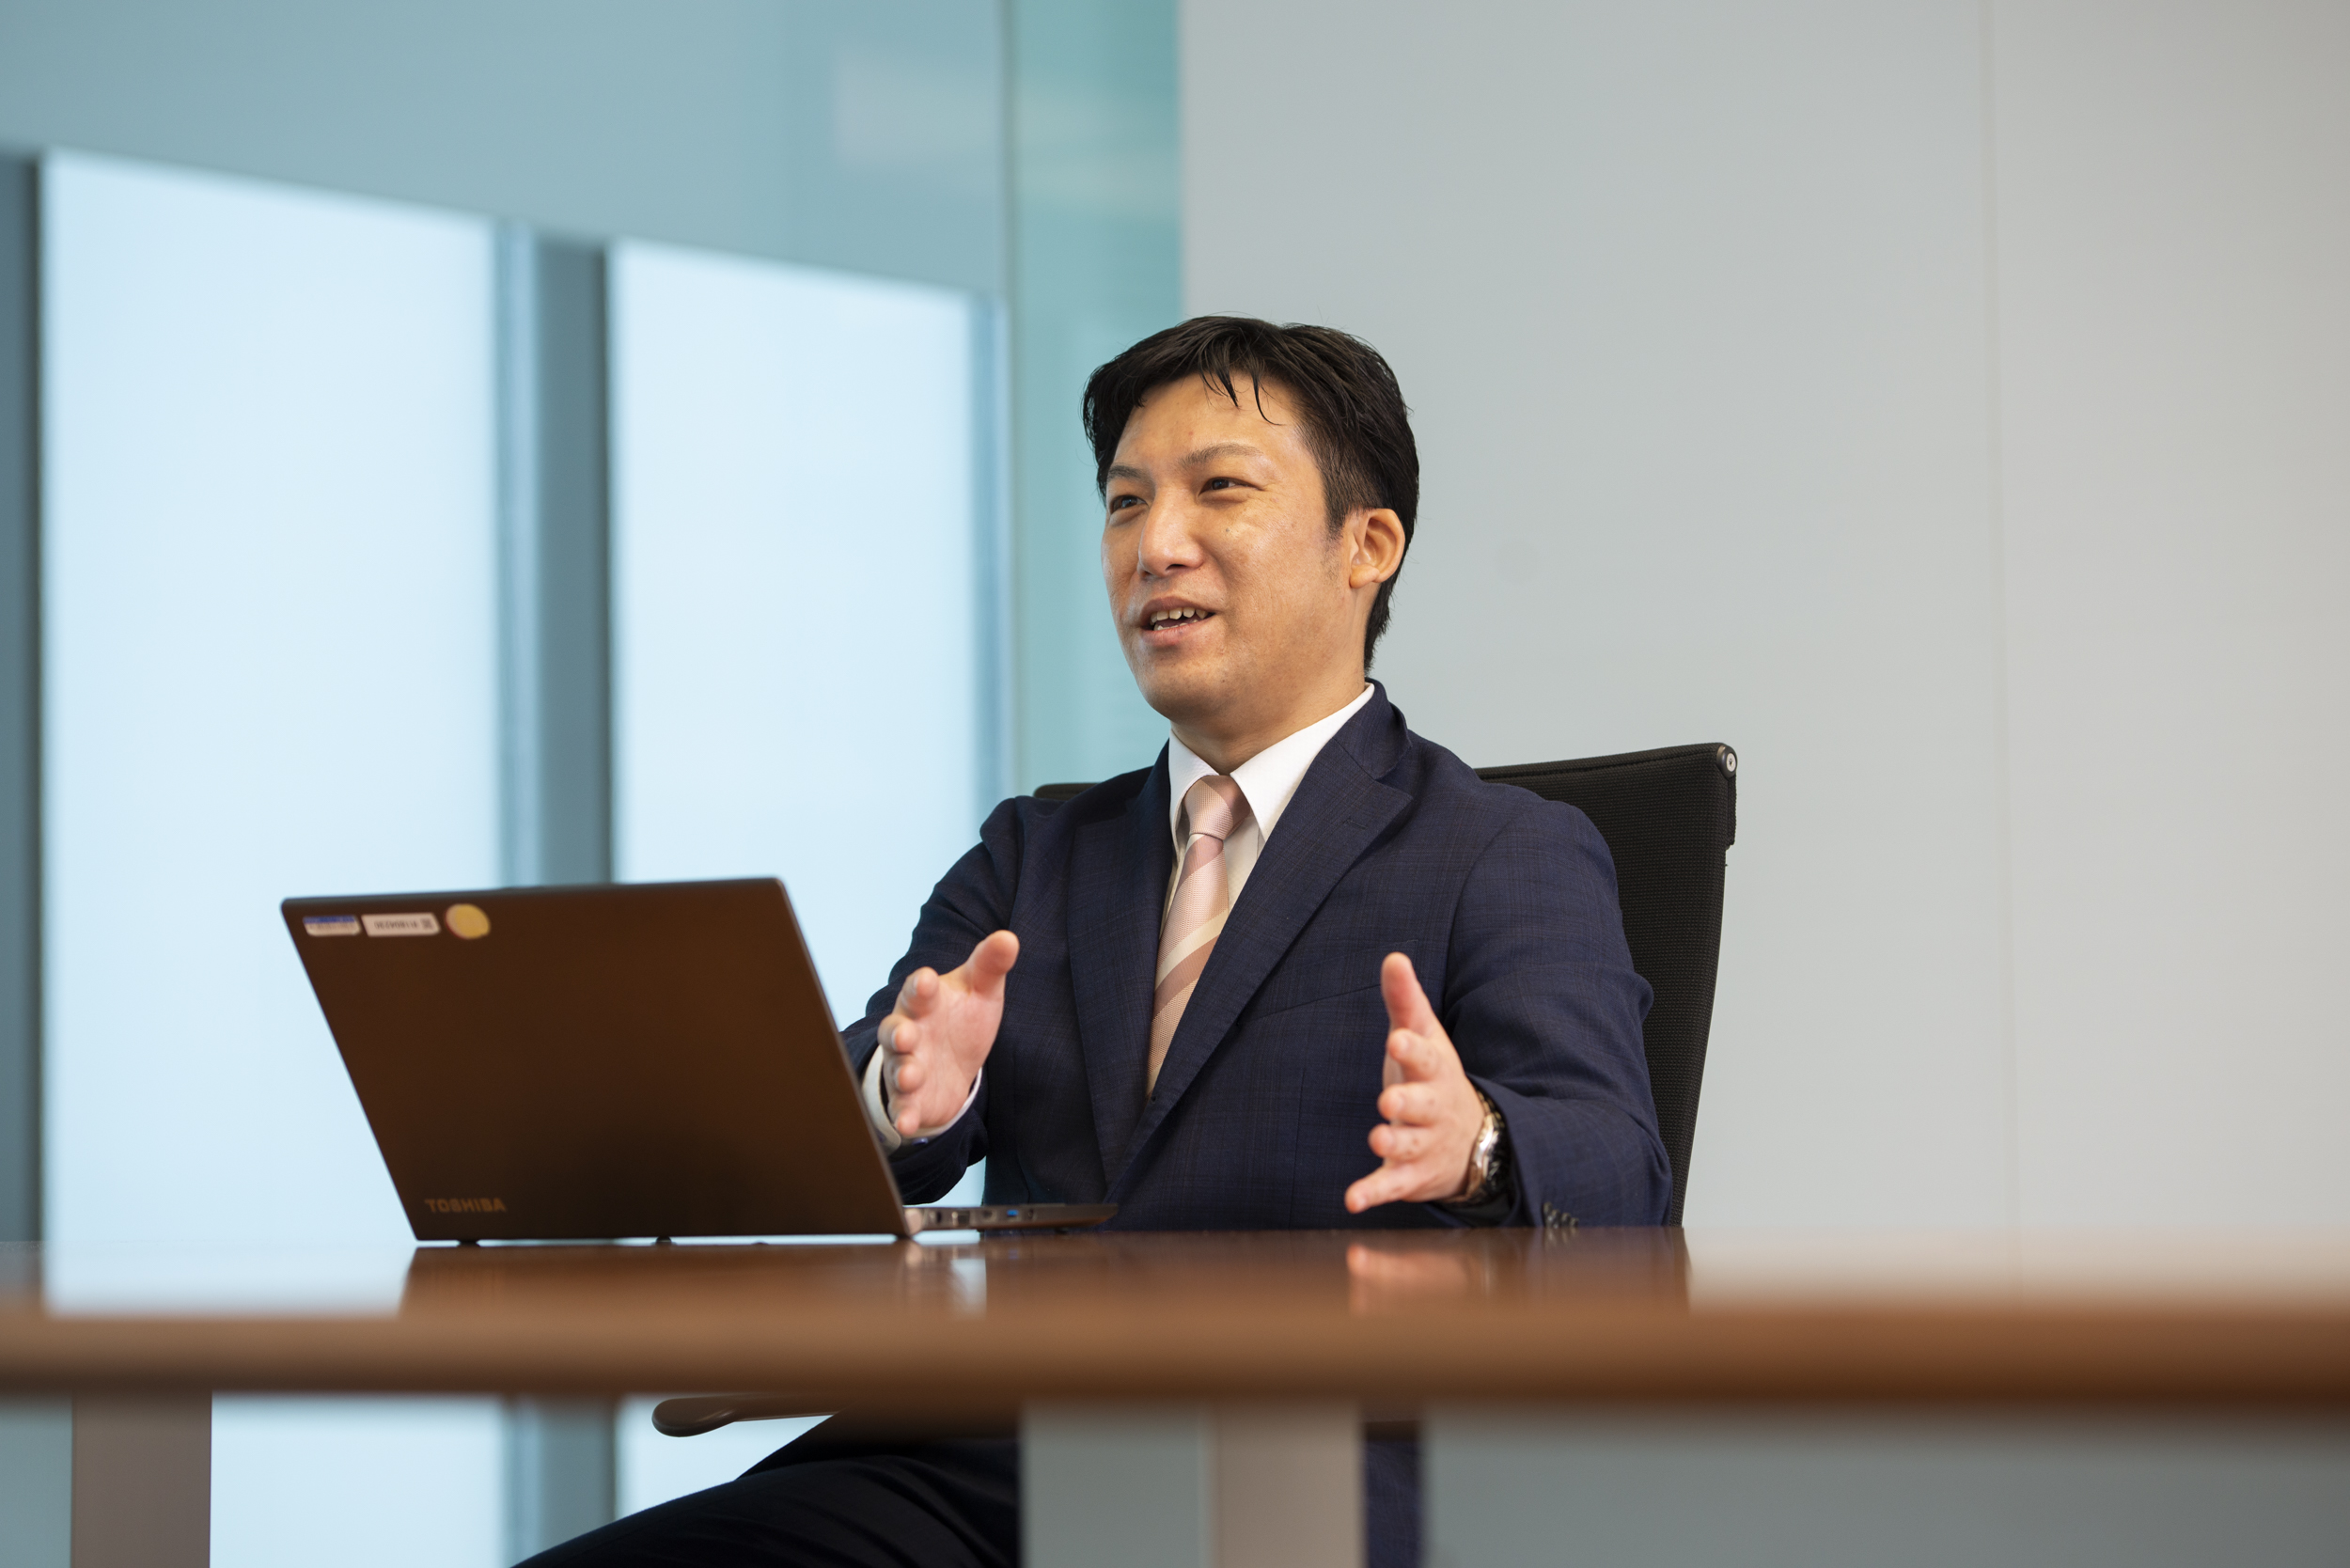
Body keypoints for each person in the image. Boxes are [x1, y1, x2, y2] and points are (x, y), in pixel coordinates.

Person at [528, 317, 1666, 1568]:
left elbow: (1622, 1170)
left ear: (1368, 546)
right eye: (1126, 503)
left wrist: (1480, 1146)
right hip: (986, 1457)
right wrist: (900, 1097)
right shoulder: (1035, 853)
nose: (1154, 544)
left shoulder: (1501, 848)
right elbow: (872, 1090)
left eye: (1219, 489)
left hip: (1311, 1467)